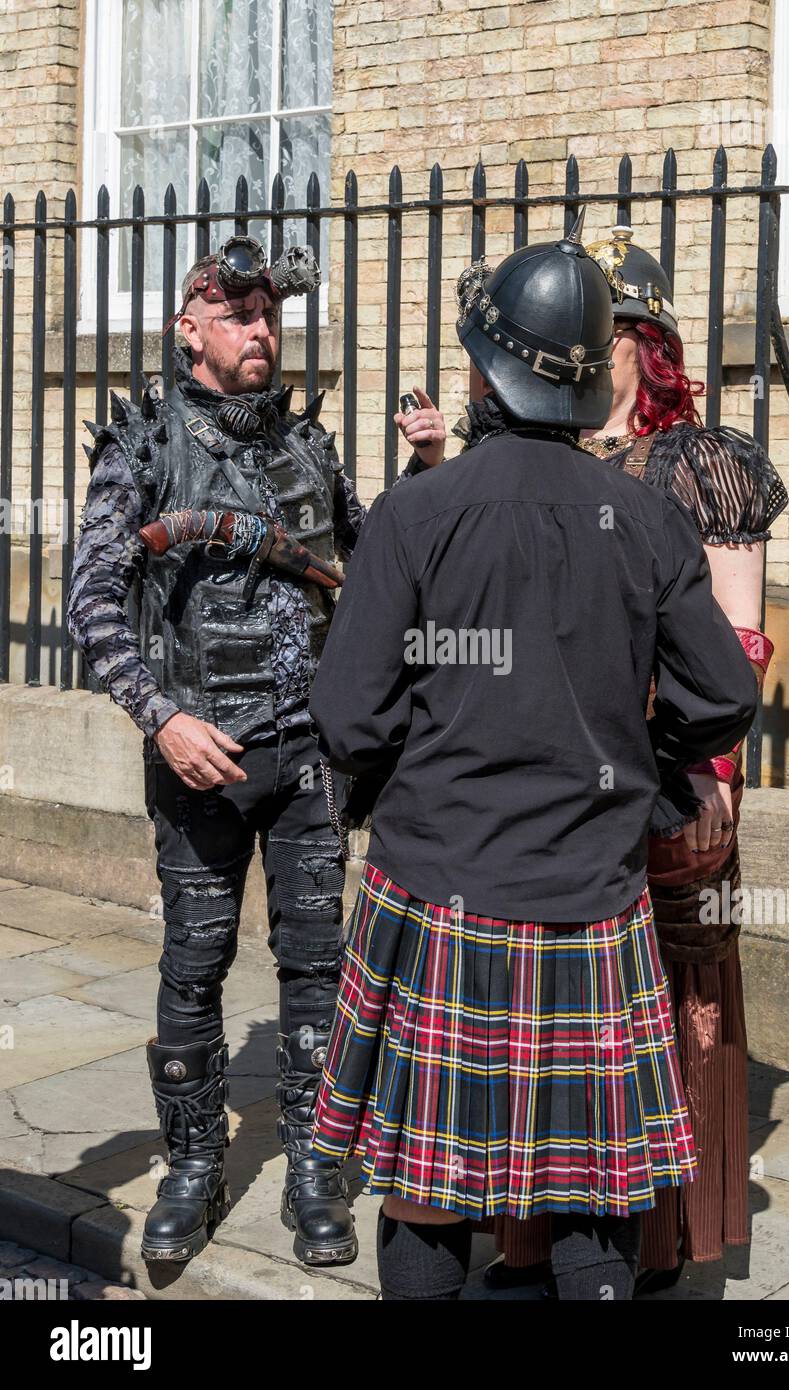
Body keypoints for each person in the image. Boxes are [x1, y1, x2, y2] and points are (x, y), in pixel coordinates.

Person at [304, 213, 759, 1300]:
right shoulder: (642, 520)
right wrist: (638, 767)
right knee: (590, 1182)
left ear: (485, 364)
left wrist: (413, 775)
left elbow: (349, 719)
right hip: (590, 898)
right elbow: (723, 697)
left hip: (436, 890)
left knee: (423, 1184)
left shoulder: (415, 513)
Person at [67, 237, 433, 1268]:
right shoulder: (140, 449)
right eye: (237, 314)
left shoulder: (308, 448)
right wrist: (160, 718)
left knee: (317, 967)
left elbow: (375, 558)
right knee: (194, 967)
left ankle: (317, 1163)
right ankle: (192, 1166)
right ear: (189, 328)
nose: (261, 329)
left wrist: (424, 467)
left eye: (269, 313)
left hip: (310, 759)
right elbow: (89, 599)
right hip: (201, 761)